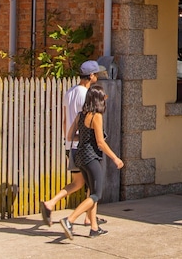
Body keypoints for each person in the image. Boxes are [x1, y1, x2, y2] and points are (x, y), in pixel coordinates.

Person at [41, 60, 108, 227]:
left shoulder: (69, 92)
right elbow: (88, 119)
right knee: (93, 186)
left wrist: (69, 139)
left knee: (78, 183)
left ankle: (51, 203)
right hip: (86, 146)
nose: (97, 77)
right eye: (96, 74)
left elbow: (66, 121)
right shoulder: (87, 95)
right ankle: (89, 220)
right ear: (91, 76)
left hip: (71, 145)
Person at [61, 85, 123, 239]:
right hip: (91, 158)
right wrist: (115, 158)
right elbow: (100, 143)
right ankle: (69, 220)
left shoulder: (80, 115)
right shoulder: (96, 116)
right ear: (98, 100)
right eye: (103, 98)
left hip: (79, 157)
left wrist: (84, 138)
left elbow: (69, 136)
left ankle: (94, 228)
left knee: (91, 191)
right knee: (96, 194)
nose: (105, 101)